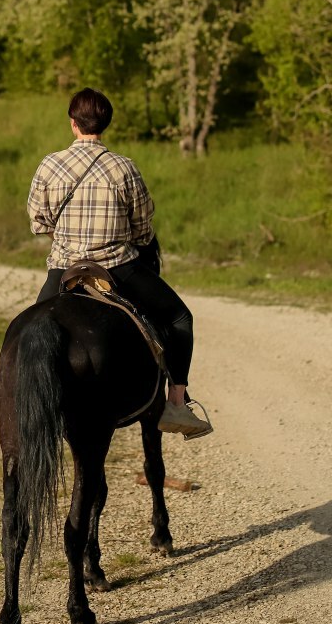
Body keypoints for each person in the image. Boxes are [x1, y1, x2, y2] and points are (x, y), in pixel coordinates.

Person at [27, 87, 212, 439]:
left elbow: (38, 222)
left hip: (63, 269)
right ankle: (176, 404)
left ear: (73, 124)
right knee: (179, 318)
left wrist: (67, 239)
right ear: (105, 124)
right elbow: (143, 229)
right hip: (117, 268)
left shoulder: (49, 164)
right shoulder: (124, 167)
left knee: (32, 333)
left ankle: (34, 407)